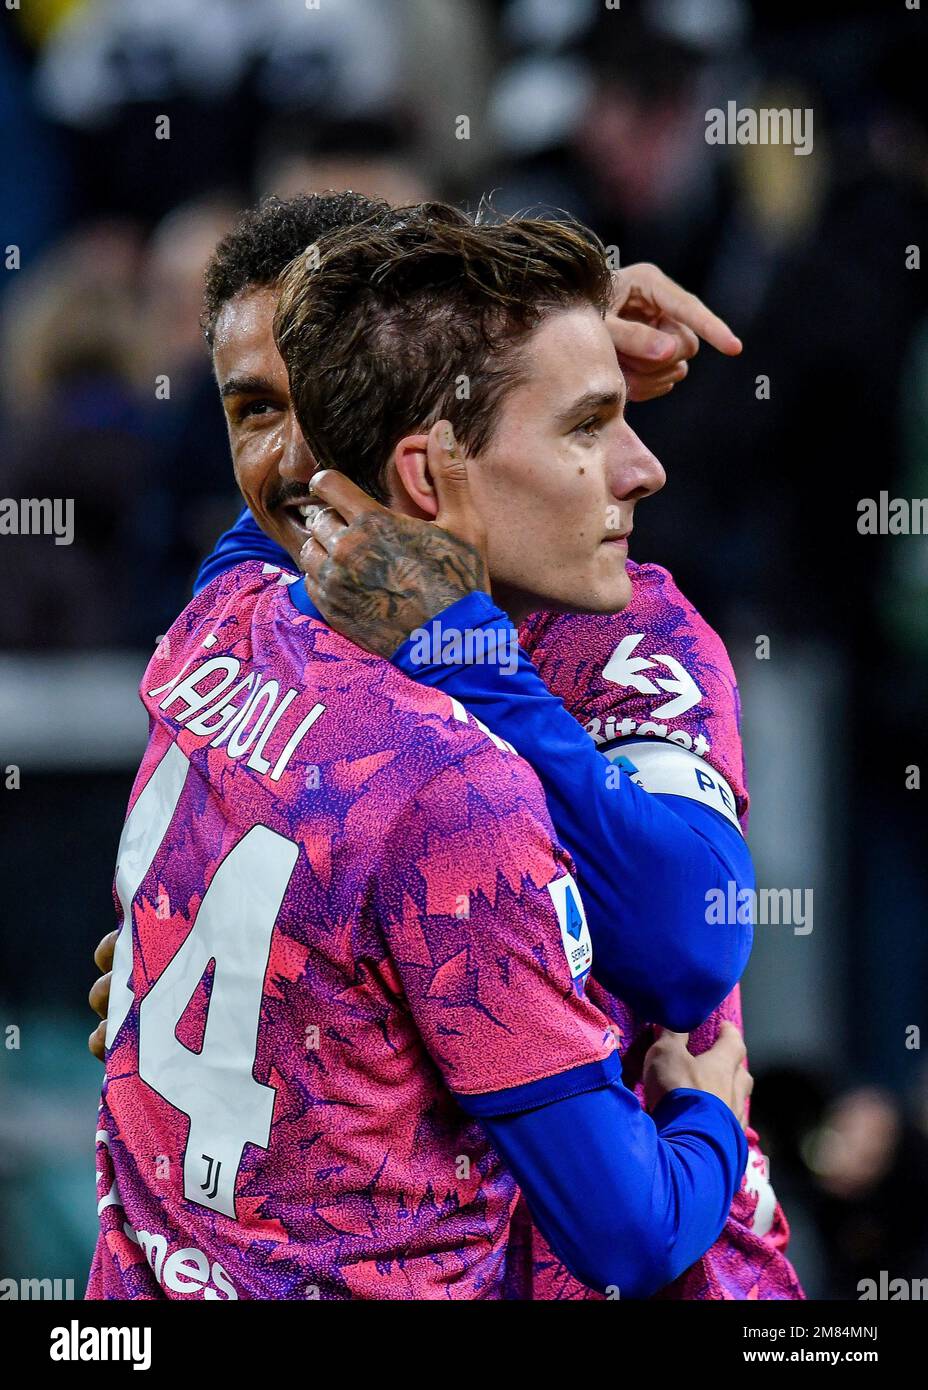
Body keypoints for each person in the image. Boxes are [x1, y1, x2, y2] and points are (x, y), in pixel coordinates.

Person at [87, 202, 750, 1302]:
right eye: (256, 411)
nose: (302, 460)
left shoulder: (629, 632)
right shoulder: (248, 606)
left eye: (325, 403)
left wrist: (465, 650)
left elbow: (690, 942)